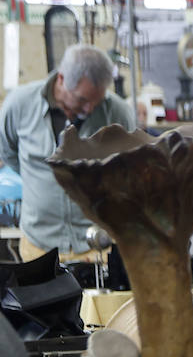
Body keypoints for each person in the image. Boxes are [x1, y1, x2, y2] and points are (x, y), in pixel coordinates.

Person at [0, 44, 135, 260]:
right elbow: (8, 152)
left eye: (96, 101)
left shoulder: (118, 114)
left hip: (97, 245)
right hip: (39, 244)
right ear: (61, 79)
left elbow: (130, 169)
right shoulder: (19, 105)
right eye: (82, 99)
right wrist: (41, 179)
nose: (89, 109)